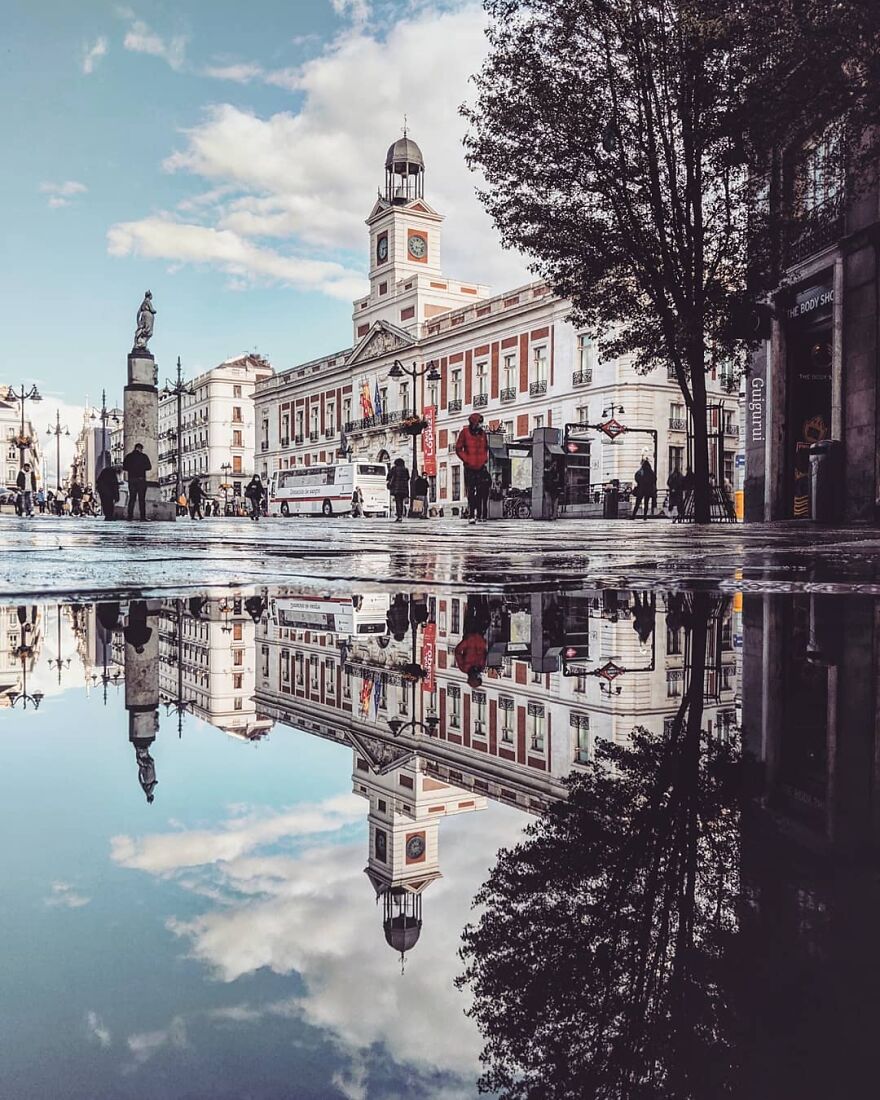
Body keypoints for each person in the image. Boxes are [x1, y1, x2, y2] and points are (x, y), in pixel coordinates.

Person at [455, 412, 490, 525]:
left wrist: (484, 459)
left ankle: (479, 514)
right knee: (470, 491)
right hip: (469, 466)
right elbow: (459, 448)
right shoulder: (464, 433)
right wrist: (466, 459)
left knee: (480, 491)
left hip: (480, 466)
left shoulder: (483, 434)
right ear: (474, 422)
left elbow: (486, 447)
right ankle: (471, 514)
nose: (480, 425)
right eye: (479, 422)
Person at [123, 442, 151, 521]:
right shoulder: (143, 456)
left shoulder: (128, 456)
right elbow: (149, 467)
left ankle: (130, 516)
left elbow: (124, 467)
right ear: (140, 448)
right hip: (141, 479)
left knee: (132, 498)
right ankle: (142, 517)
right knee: (142, 499)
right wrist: (141, 468)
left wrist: (132, 469)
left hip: (131, 479)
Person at [387, 458, 410, 522]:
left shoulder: (394, 469)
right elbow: (408, 478)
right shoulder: (405, 469)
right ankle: (401, 515)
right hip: (404, 488)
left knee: (398, 502)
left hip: (396, 488)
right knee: (401, 502)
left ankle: (399, 516)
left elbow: (388, 476)